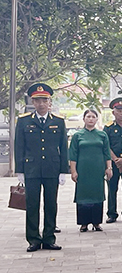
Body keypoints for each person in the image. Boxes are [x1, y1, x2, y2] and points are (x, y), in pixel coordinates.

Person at [14, 83, 70, 252]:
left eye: (44, 100)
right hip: (31, 169)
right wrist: (20, 170)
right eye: (37, 100)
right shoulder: (24, 121)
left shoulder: (58, 122)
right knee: (32, 205)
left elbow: (63, 147)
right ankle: (33, 239)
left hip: (51, 169)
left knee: (51, 204)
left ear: (49, 102)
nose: (41, 104)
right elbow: (19, 146)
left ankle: (49, 237)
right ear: (33, 101)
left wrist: (63, 170)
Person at [69, 109, 113, 232]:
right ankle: (84, 223)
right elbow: (73, 155)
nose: (91, 119)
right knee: (83, 196)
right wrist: (73, 171)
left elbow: (107, 153)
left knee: (97, 195)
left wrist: (109, 168)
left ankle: (96, 222)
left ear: (96, 119)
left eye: (93, 117)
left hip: (97, 170)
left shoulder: (102, 135)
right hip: (83, 170)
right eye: (88, 116)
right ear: (84, 119)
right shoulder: (77, 135)